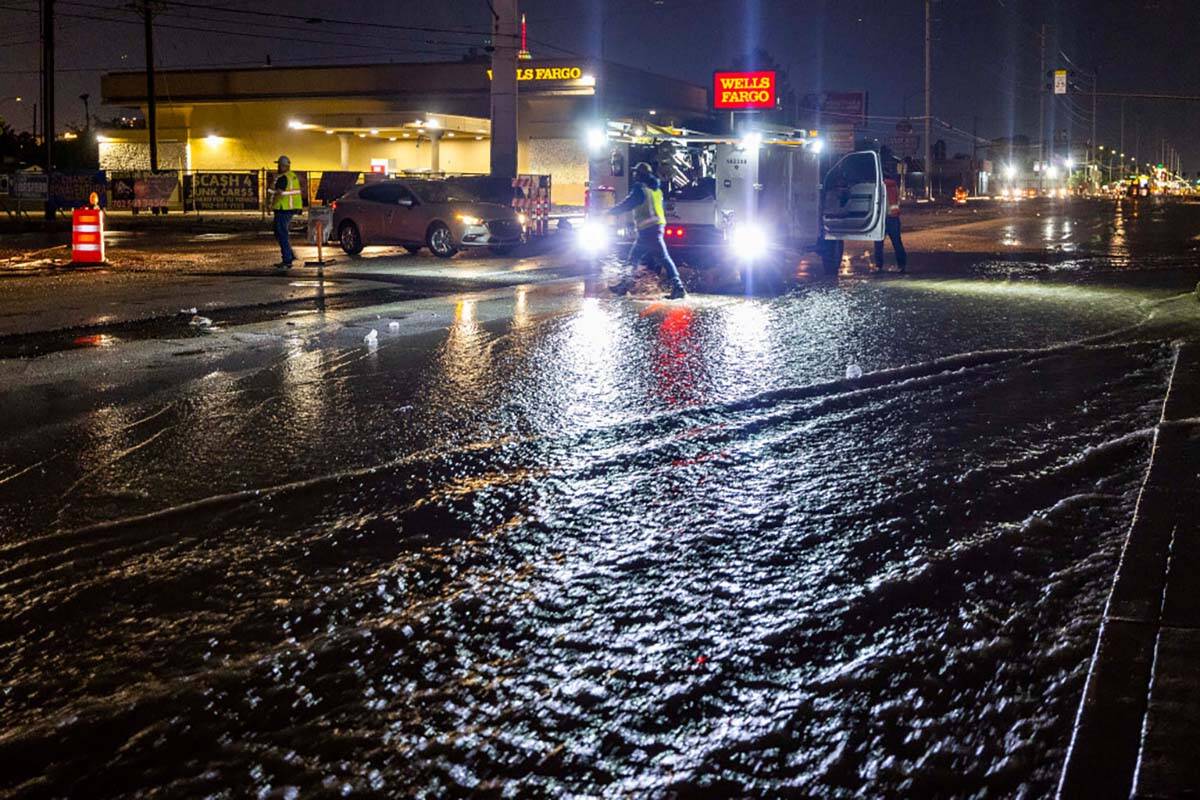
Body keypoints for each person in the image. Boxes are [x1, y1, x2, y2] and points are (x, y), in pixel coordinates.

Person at [607, 161, 687, 299]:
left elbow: (628, 204)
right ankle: (625, 285)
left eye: (636, 172)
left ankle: (678, 287)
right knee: (646, 257)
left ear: (640, 175)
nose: (634, 175)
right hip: (655, 228)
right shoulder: (656, 189)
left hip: (648, 230)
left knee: (641, 258)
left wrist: (611, 212)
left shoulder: (640, 189)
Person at [874, 154, 907, 274]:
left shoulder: (881, 185)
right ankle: (901, 265)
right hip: (893, 218)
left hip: (882, 219)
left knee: (878, 243)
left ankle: (878, 266)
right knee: (897, 243)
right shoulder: (894, 185)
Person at [269, 155, 303, 269]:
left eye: (279, 165)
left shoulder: (283, 178)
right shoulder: (292, 176)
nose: (278, 167)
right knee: (280, 232)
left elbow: (279, 193)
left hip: (283, 209)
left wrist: (270, 200)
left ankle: (287, 259)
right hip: (289, 208)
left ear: (284, 166)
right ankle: (289, 255)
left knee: (281, 233)